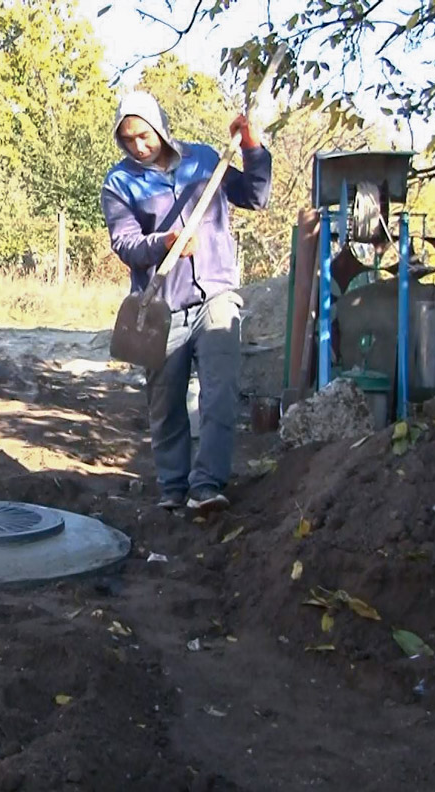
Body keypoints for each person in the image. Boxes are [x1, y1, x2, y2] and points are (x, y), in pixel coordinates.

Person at [101, 92, 272, 514]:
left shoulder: (203, 160)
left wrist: (251, 144)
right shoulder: (119, 183)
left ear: (160, 126)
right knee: (166, 403)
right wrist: (165, 242)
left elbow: (255, 196)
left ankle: (207, 484)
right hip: (162, 306)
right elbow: (125, 244)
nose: (139, 146)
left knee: (220, 393)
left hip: (215, 294)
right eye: (129, 140)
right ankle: (173, 486)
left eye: (144, 135)